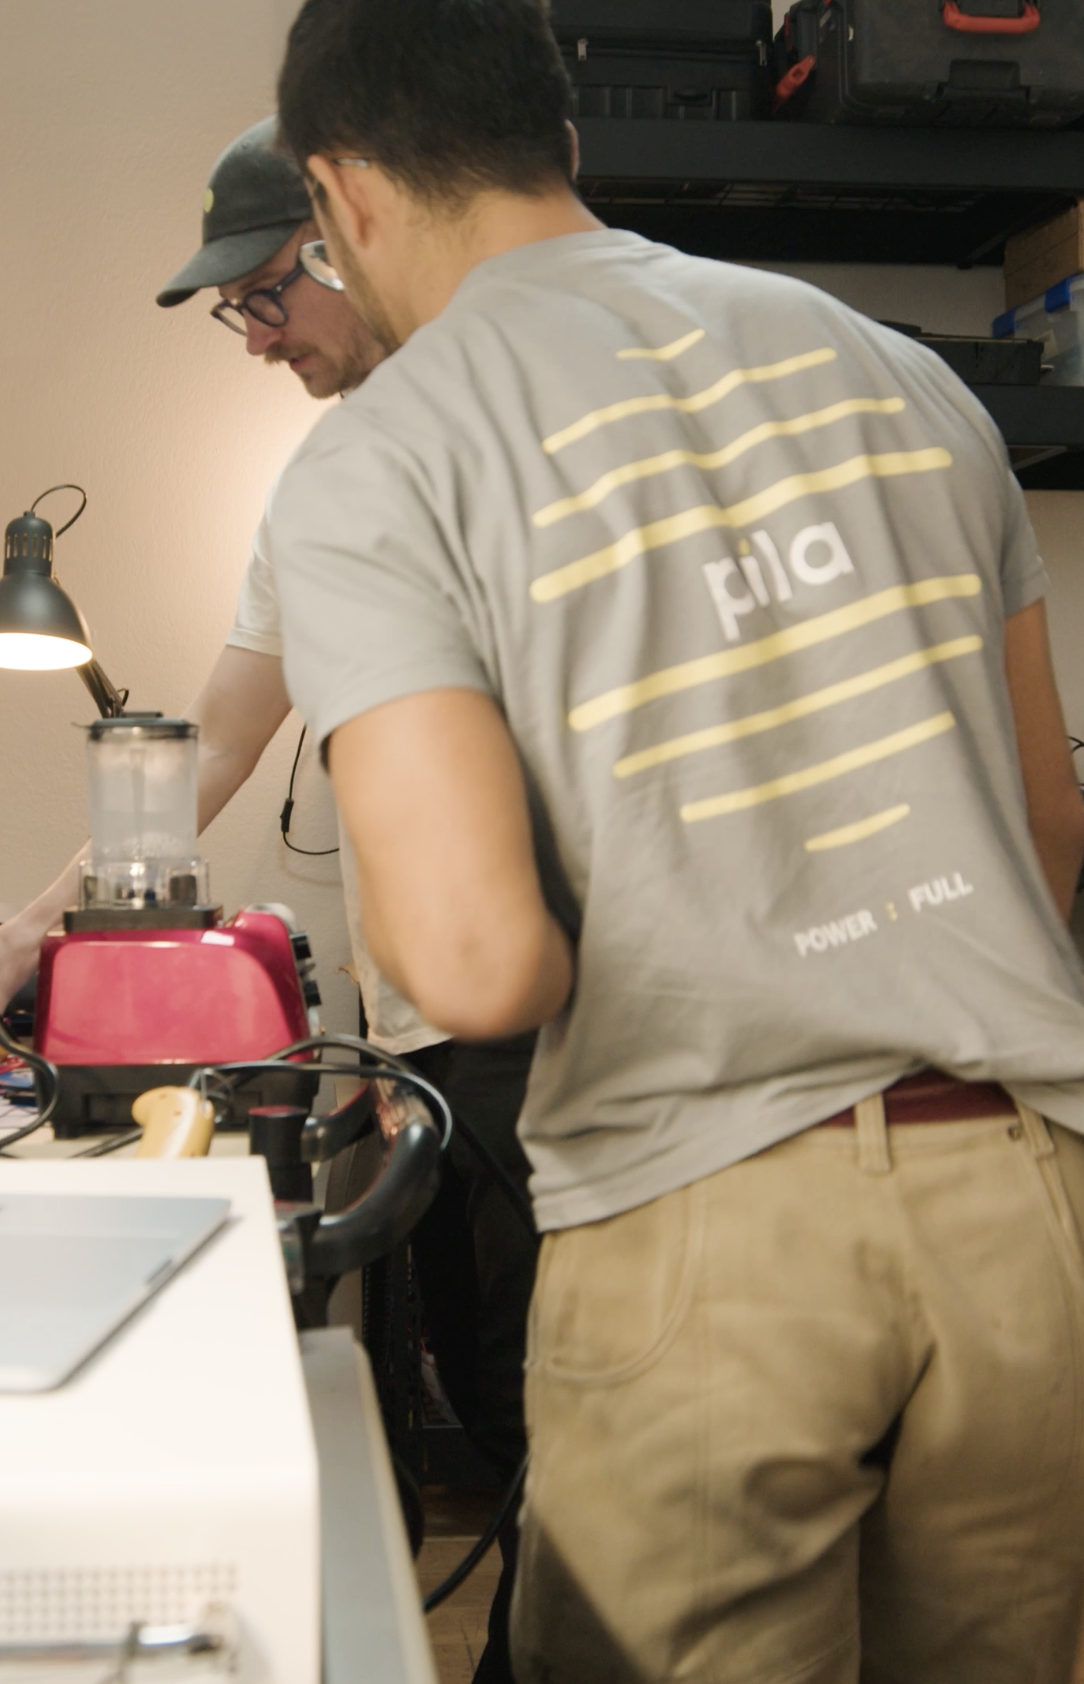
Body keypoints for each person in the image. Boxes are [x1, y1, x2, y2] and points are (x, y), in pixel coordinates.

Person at [266, 0, 1084, 1677]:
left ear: (336, 191)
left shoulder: (382, 458)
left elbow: (473, 964)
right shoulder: (906, 376)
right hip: (1031, 1202)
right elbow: (1044, 831)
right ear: (559, 140)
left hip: (711, 1222)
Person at [0, 119, 539, 1684]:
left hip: (561, 1035)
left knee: (563, 1438)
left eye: (260, 301)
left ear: (340, 243)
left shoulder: (527, 430)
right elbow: (210, 745)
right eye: (230, 316)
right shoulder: (326, 485)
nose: (252, 343)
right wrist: (19, 937)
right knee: (498, 1406)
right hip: (434, 1046)